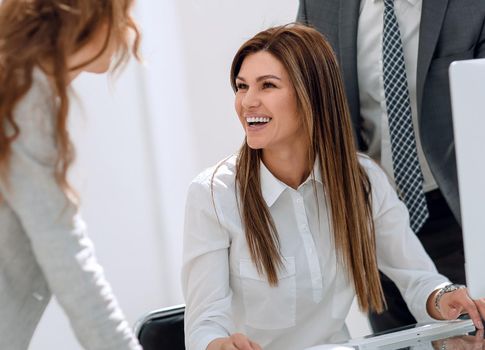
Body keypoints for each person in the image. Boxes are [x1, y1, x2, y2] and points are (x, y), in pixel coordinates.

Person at [182, 24, 485, 350]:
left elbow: (418, 279)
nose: (247, 102)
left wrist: (445, 298)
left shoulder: (362, 180)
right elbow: (203, 324)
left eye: (267, 85)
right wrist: (217, 345)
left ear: (311, 94)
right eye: (242, 87)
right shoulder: (212, 195)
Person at [297, 0, 485, 332]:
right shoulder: (320, 6)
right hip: (373, 218)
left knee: (470, 334)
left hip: (457, 213)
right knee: (392, 338)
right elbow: (303, 100)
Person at [0, 0, 142, 349]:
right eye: (122, 14)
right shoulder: (24, 97)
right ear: (87, 14)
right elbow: (67, 256)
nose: (130, 29)